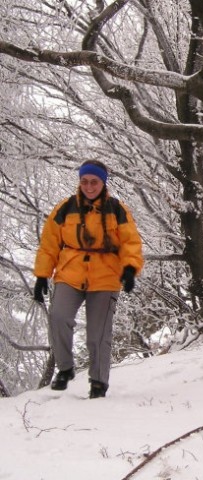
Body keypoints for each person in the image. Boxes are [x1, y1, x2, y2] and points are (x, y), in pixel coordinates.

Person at [33, 160, 144, 399]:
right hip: (70, 273)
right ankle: (65, 368)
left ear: (103, 183)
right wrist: (42, 275)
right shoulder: (65, 207)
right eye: (84, 181)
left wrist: (130, 269)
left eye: (94, 182)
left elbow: (130, 242)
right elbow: (49, 243)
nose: (89, 186)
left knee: (98, 335)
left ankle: (98, 383)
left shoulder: (117, 209)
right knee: (59, 317)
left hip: (105, 276)